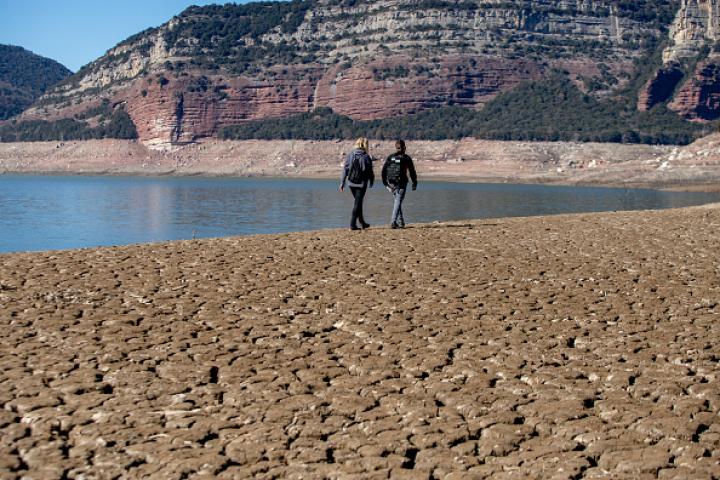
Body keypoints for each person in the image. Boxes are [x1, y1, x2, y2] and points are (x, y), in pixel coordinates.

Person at [339, 137, 374, 230]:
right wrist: (371, 181)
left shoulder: (350, 155)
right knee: (357, 203)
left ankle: (362, 222)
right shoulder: (366, 156)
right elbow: (370, 171)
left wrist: (342, 183)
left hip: (351, 183)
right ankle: (352, 224)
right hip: (361, 184)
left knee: (358, 202)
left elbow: (345, 169)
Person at [382, 139, 417, 229]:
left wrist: (385, 184)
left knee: (397, 202)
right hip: (402, 183)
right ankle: (393, 222)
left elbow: (384, 171)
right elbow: (412, 171)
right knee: (398, 201)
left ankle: (401, 222)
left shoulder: (390, 157)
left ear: (396, 147)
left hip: (391, 183)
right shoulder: (406, 158)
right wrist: (414, 182)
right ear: (404, 148)